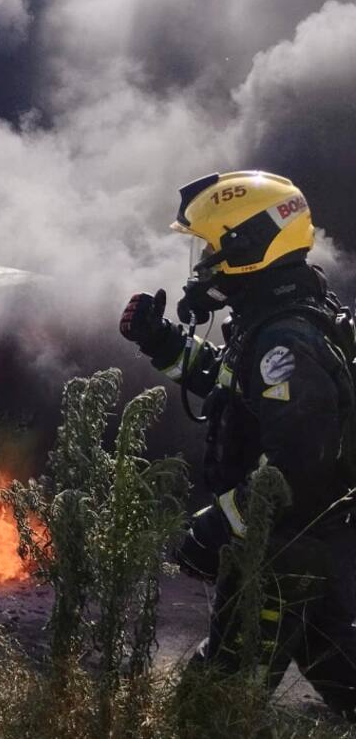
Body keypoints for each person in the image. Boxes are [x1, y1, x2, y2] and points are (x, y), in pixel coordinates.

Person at [119, 171, 356, 715]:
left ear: (248, 247)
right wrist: (162, 343)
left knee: (212, 707)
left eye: (211, 249)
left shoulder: (285, 342)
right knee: (344, 676)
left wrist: (217, 525)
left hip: (285, 553)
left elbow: (295, 477)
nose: (202, 266)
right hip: (305, 550)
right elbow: (232, 389)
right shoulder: (275, 319)